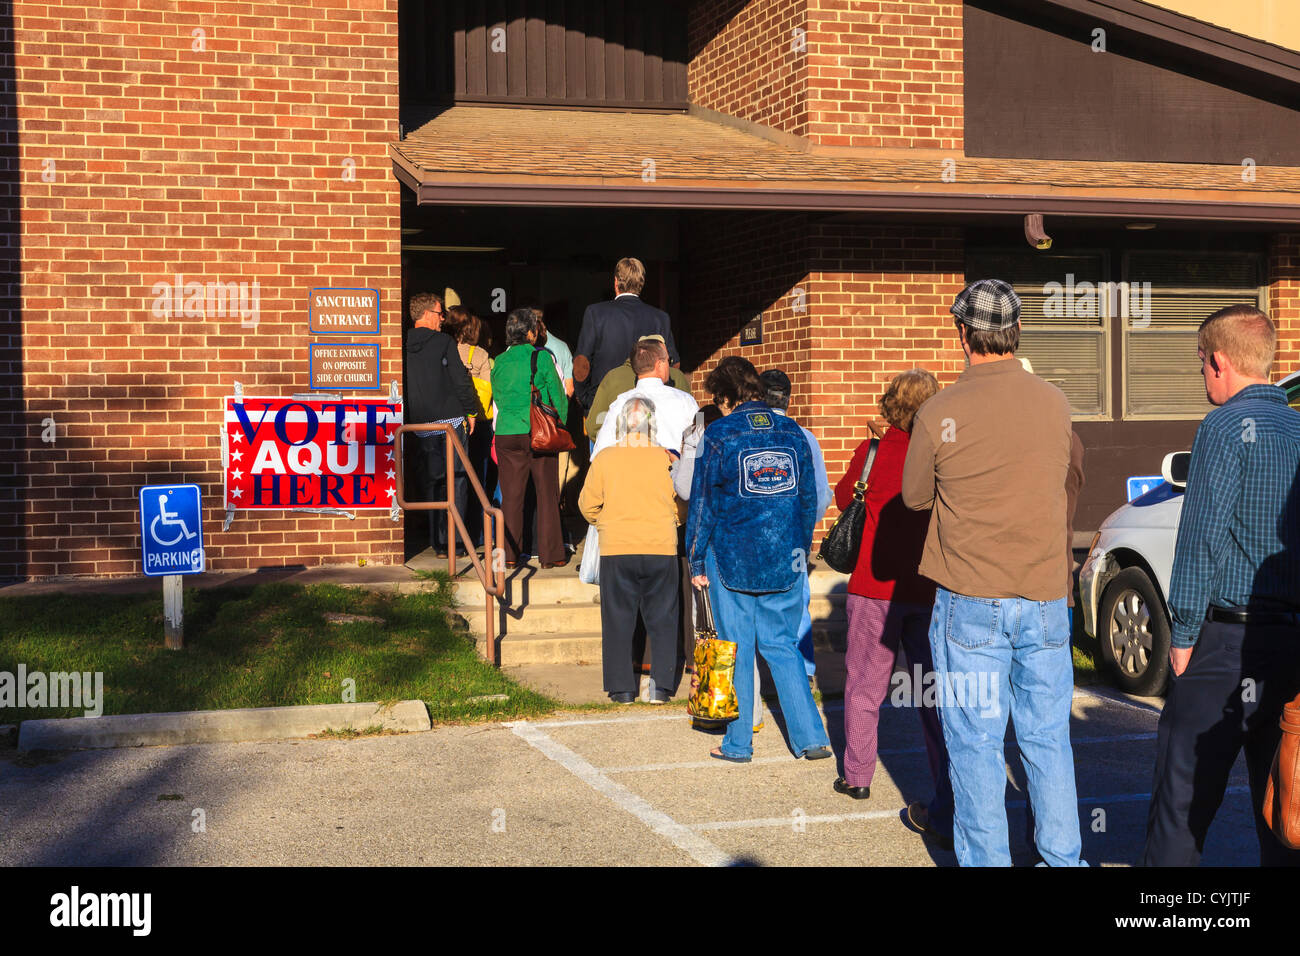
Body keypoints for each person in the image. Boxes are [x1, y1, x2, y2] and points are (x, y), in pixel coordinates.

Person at [900, 278, 1082, 867]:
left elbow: (914, 496)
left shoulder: (939, 410)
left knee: (975, 745)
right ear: (1017, 331)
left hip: (971, 595)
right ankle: (1062, 859)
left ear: (962, 335)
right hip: (1046, 594)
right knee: (1048, 740)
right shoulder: (1054, 401)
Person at [1143, 305, 1300, 867]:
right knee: (1285, 798)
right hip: (1292, 645)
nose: (1202, 375)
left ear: (1219, 361)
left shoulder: (1223, 427)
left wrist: (1181, 635)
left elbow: (1200, 538)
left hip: (1229, 643)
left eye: (1200, 364)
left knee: (1181, 803)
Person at [686, 356, 832, 764]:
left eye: (720, 399)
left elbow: (702, 506)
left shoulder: (719, 434)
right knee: (782, 646)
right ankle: (812, 738)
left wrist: (695, 561)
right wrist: (799, 548)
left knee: (737, 647)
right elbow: (807, 502)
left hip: (731, 556)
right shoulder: (793, 432)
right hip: (785, 557)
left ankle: (738, 743)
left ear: (728, 397)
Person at [833, 369, 954, 848]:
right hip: (925, 587)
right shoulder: (942, 455)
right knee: (931, 694)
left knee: (864, 684)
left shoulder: (875, 451)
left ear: (888, 405)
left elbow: (844, 497)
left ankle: (858, 775)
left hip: (872, 586)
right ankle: (946, 784)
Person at [579, 398, 681, 705]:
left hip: (617, 547)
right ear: (652, 424)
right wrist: (672, 521)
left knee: (617, 619)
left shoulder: (605, 458)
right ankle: (661, 687)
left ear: (622, 424)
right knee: (663, 619)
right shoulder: (667, 459)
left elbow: (587, 505)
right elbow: (684, 504)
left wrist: (606, 524)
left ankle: (622, 689)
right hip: (661, 545)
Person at [759, 369, 832, 685]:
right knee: (796, 600)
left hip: (755, 533)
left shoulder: (750, 434)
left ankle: (758, 671)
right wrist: (806, 525)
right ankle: (803, 670)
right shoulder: (806, 437)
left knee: (753, 601)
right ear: (789, 398)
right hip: (793, 534)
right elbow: (820, 494)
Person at [404, 292, 481, 557]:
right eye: (440, 313)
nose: (443, 319)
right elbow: (460, 380)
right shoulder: (443, 342)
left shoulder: (401, 343)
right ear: (426, 314)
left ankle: (438, 543)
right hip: (450, 422)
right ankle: (455, 544)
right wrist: (472, 411)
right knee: (457, 481)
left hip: (421, 426)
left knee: (433, 482)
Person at [490, 308, 568, 569]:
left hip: (506, 433)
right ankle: (551, 555)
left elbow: (498, 398)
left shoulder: (499, 361)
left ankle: (509, 557)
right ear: (532, 333)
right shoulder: (542, 357)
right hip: (538, 432)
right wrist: (560, 426)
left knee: (511, 498)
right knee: (547, 494)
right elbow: (558, 396)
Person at [573, 257, 679, 410]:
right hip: (649, 406)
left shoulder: (596, 313)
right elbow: (674, 365)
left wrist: (586, 399)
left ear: (616, 281)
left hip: (605, 405)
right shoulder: (660, 318)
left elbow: (582, 362)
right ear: (641, 284)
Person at [591, 339, 699, 458]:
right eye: (668, 360)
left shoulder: (619, 403)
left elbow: (600, 453)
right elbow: (701, 446)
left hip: (632, 472)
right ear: (659, 365)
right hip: (674, 472)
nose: (670, 365)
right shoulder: (687, 400)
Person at [445, 306, 494, 548]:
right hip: (480, 423)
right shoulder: (482, 355)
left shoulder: (447, 351)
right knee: (478, 479)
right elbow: (488, 389)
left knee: (453, 478)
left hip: (453, 420)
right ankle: (477, 535)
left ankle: (452, 536)